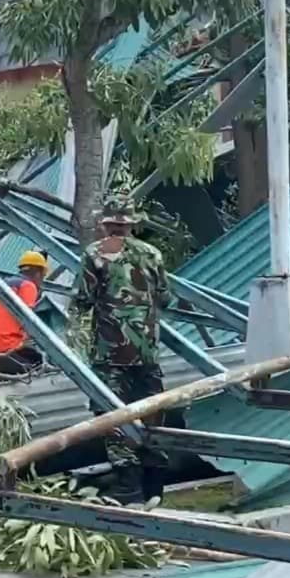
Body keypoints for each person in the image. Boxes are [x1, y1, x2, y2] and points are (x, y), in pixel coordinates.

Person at [73, 195, 175, 508]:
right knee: (152, 414)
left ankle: (128, 488)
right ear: (131, 224)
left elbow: (82, 300)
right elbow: (165, 298)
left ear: (105, 224)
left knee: (113, 416)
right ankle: (155, 488)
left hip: (110, 354)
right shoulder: (152, 254)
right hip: (146, 353)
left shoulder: (95, 254)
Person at [0, 250, 49, 375]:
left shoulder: (0, 285)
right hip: (9, 351)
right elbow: (29, 320)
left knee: (31, 355)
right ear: (39, 273)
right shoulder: (28, 286)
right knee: (39, 362)